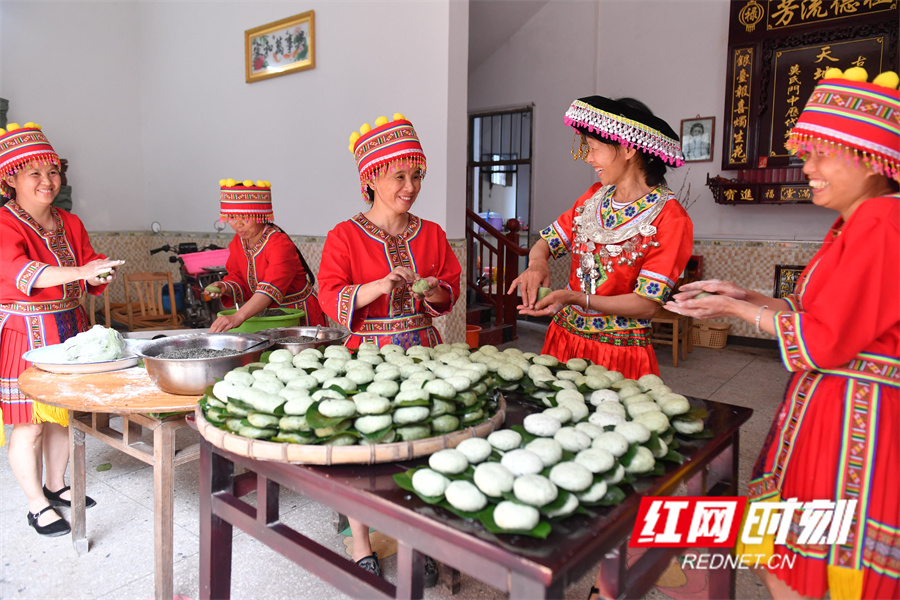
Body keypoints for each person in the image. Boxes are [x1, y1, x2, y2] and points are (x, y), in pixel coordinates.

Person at [667, 68, 900, 600]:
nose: (806, 166)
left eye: (821, 153)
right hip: (827, 407)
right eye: (805, 151)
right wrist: (745, 297)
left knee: (815, 569)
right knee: (790, 559)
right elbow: (811, 309)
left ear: (870, 156)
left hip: (855, 422)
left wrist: (736, 309)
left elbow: (823, 339)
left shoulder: (882, 224)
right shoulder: (856, 221)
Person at [317, 113, 461, 585]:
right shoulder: (345, 235)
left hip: (423, 349)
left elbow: (449, 295)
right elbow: (330, 298)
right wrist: (376, 287)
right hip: (368, 357)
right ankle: (361, 544)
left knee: (423, 444)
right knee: (366, 447)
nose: (410, 186)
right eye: (399, 175)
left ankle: (421, 539)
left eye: (416, 175)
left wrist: (433, 290)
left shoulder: (433, 234)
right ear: (371, 178)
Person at [509, 96, 693, 379]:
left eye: (594, 148)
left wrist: (575, 298)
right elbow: (546, 241)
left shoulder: (670, 217)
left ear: (629, 149)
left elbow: (646, 305)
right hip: (564, 340)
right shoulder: (593, 197)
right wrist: (537, 264)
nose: (588, 158)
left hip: (618, 353)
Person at [0, 122, 123, 536]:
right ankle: (36, 504)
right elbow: (23, 274)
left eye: (52, 171)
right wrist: (83, 269)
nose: (47, 181)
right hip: (27, 332)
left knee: (61, 418)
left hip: (72, 328)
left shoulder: (69, 221)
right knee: (29, 422)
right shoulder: (4, 223)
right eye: (33, 173)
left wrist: (97, 274)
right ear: (10, 178)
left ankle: (56, 485)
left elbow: (89, 269)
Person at [206, 179, 326, 333]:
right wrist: (224, 287)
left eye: (245, 217)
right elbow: (237, 278)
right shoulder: (238, 242)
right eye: (232, 218)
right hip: (268, 316)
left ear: (260, 216)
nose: (238, 224)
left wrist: (238, 317)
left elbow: (271, 288)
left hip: (298, 314)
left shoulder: (279, 244)